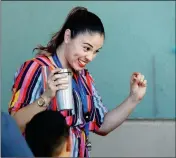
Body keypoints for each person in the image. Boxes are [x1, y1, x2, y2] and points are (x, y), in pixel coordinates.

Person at [8, 6, 147, 157]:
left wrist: (133, 99)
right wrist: (46, 97)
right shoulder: (36, 68)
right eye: (86, 48)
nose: (90, 57)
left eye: (95, 51)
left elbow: (102, 125)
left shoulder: (84, 77)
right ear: (67, 36)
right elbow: (13, 126)